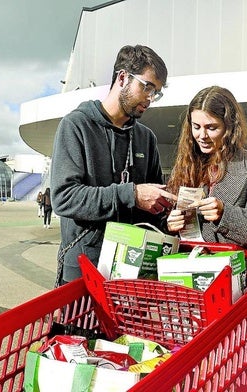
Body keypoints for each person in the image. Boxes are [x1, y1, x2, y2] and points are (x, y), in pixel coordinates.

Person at [50, 44, 177, 285]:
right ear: (122, 77)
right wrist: (132, 194)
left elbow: (151, 207)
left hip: (132, 270)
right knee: (77, 325)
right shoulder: (76, 126)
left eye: (156, 92)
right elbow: (64, 198)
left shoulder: (146, 138)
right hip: (83, 268)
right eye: (147, 87)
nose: (150, 99)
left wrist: (168, 216)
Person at [165, 86, 247, 250]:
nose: (202, 136)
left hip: (237, 271)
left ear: (229, 127)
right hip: (188, 267)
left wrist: (226, 215)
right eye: (196, 127)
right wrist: (171, 224)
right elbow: (167, 221)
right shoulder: (184, 167)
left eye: (211, 127)